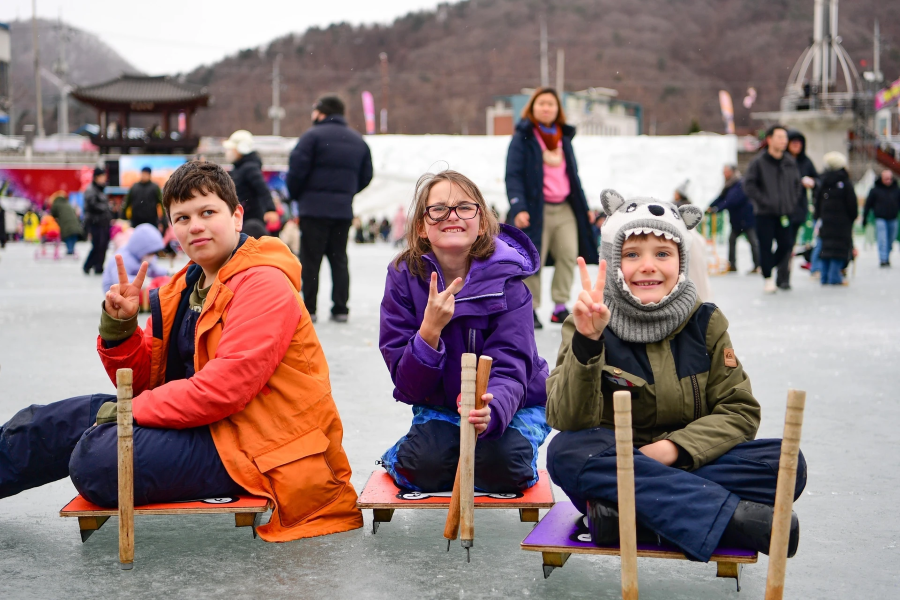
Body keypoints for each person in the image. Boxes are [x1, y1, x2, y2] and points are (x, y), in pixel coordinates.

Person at [0, 161, 363, 542]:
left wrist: (129, 412)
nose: (196, 226)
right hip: (208, 426)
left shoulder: (264, 284)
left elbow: (224, 388)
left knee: (99, 457)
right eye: (183, 217)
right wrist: (120, 328)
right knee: (55, 422)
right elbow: (145, 382)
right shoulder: (181, 289)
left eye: (208, 212)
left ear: (236, 216)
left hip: (261, 445)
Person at [545, 189, 805, 563]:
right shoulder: (586, 322)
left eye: (662, 253)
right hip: (611, 458)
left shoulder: (706, 323)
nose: (648, 266)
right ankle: (733, 518)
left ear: (680, 262)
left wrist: (667, 452)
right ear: (612, 262)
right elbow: (566, 418)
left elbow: (739, 411)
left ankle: (626, 515)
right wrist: (588, 342)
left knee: (786, 462)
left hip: (673, 463)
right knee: (566, 453)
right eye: (632, 254)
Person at [379, 170, 551, 492]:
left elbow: (511, 361)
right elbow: (408, 384)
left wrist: (493, 407)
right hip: (442, 405)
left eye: (464, 207)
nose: (452, 216)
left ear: (482, 222)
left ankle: (499, 446)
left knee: (501, 465)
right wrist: (429, 332)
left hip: (514, 403)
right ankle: (406, 454)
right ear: (421, 225)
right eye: (438, 209)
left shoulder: (508, 280)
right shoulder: (404, 278)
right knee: (423, 467)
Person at [505, 87, 598, 329]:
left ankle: (559, 306)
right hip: (537, 208)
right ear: (532, 108)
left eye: (551, 104)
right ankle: (532, 308)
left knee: (569, 254)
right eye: (541, 103)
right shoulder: (523, 136)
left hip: (565, 206)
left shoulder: (564, 137)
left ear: (558, 109)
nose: (546, 108)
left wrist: (585, 207)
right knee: (532, 257)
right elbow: (513, 175)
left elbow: (573, 176)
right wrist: (519, 207)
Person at [287, 95, 373, 323]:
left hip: (313, 211)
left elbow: (296, 172)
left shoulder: (311, 137)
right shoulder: (358, 141)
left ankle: (310, 308)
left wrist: (298, 196)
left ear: (321, 112)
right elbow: (367, 176)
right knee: (339, 260)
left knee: (311, 260)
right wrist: (347, 193)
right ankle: (341, 308)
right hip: (342, 211)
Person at [743, 125, 801, 294]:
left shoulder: (790, 162)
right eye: (780, 137)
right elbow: (749, 186)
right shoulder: (758, 163)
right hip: (765, 213)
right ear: (769, 139)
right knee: (765, 246)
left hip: (785, 212)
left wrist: (792, 202)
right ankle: (768, 278)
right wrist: (764, 201)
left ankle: (767, 266)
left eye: (785, 138)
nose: (784, 141)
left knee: (786, 244)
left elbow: (797, 185)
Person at [778, 131, 819, 290]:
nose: (796, 146)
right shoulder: (781, 160)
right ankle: (780, 274)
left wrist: (812, 182)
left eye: (799, 143)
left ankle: (784, 277)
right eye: (793, 143)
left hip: (797, 210)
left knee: (789, 244)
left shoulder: (805, 162)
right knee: (783, 244)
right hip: (780, 208)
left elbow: (817, 179)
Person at [814, 152, 857, 286]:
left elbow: (818, 202)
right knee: (839, 249)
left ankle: (824, 276)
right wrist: (852, 218)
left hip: (826, 221)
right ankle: (834, 277)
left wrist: (819, 217)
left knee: (826, 249)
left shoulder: (824, 181)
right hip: (842, 222)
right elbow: (852, 204)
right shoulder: (845, 182)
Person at [707, 165, 760, 273]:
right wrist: (710, 206)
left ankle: (758, 265)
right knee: (732, 241)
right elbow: (721, 197)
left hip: (746, 219)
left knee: (753, 241)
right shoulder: (729, 185)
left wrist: (717, 209)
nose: (724, 174)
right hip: (737, 221)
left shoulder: (740, 184)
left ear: (732, 172)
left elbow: (732, 201)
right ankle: (733, 265)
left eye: (726, 172)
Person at [223, 130, 278, 226]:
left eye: (232, 148)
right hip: (243, 219)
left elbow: (262, 189)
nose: (229, 152)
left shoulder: (249, 168)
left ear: (241, 148)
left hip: (251, 220)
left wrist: (270, 209)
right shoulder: (239, 168)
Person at [100, 223, 168, 293]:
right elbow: (118, 279)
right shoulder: (123, 258)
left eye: (154, 253)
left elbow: (154, 270)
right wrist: (139, 281)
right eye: (150, 253)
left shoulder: (145, 257)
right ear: (141, 248)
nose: (152, 256)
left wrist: (167, 273)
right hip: (116, 294)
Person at [863, 170, 900, 267]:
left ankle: (887, 257)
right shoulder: (875, 190)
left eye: (889, 179)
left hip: (893, 218)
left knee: (891, 239)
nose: (888, 181)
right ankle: (883, 259)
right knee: (882, 239)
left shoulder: (896, 189)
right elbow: (868, 205)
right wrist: (865, 218)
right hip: (880, 218)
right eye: (886, 179)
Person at [82, 167, 113, 275]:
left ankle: (98, 266)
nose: (104, 179)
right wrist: (105, 207)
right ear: (96, 177)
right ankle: (88, 265)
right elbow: (91, 205)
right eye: (102, 176)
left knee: (103, 245)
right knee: (98, 245)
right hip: (95, 222)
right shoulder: (91, 189)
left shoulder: (100, 189)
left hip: (103, 222)